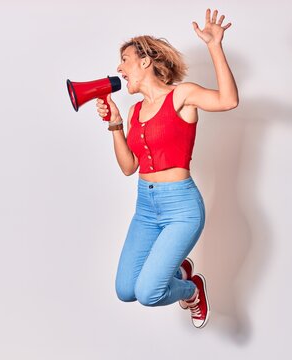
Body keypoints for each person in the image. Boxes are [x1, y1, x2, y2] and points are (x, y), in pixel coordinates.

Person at [96, 8, 238, 328]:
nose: (119, 68)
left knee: (149, 293)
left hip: (181, 207)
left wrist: (214, 45)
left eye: (125, 60)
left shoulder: (181, 96)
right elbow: (129, 167)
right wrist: (116, 125)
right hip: (145, 207)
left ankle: (191, 289)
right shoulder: (133, 111)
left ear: (145, 61)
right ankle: (180, 270)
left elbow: (228, 101)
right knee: (125, 290)